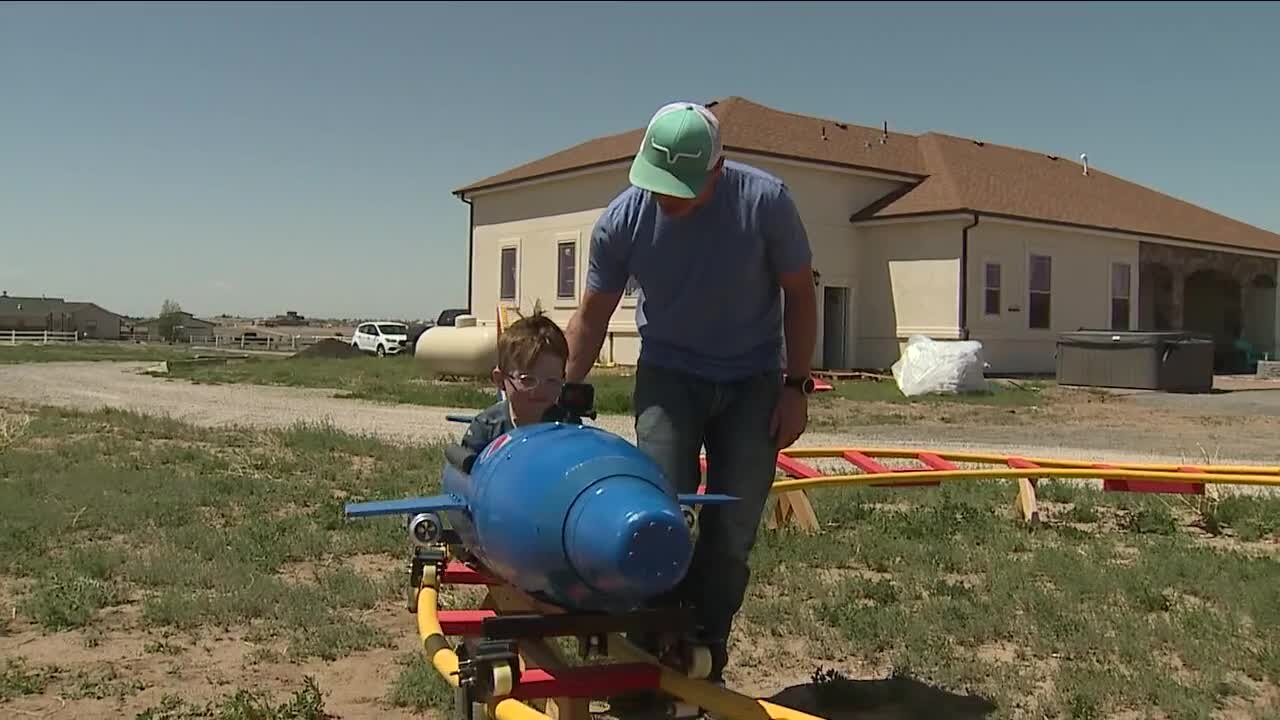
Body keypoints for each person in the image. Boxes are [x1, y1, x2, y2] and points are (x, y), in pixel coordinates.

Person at [564, 101, 818, 685]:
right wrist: (564, 392)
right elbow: (592, 314)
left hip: (753, 381)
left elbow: (801, 295)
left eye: (681, 188)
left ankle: (704, 649)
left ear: (718, 169)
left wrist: (796, 386)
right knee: (655, 514)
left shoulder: (766, 202)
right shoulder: (624, 220)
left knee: (732, 531)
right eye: (657, 185)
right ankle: (646, 649)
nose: (667, 199)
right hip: (669, 376)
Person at [459, 312, 571, 456]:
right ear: (500, 380)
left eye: (552, 381)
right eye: (527, 380)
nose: (541, 389)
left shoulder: (567, 426)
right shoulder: (487, 428)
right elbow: (463, 473)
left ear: (563, 379)